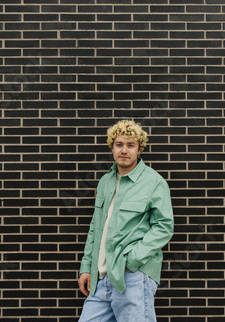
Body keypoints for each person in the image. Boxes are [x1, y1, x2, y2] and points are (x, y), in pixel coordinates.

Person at [78, 120, 174, 322]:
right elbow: (96, 228)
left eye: (130, 145)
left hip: (132, 277)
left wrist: (132, 261)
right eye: (119, 144)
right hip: (100, 278)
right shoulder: (105, 181)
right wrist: (87, 267)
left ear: (139, 150)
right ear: (112, 147)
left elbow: (164, 227)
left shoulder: (154, 182)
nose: (124, 150)